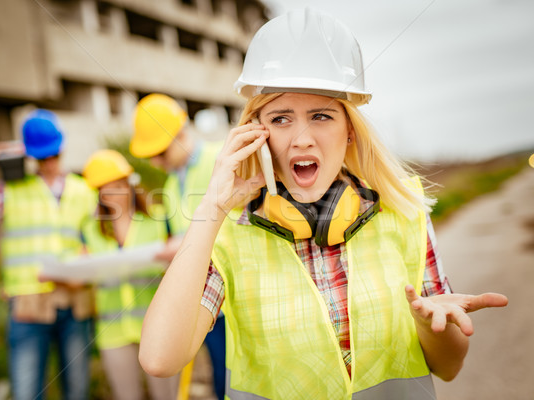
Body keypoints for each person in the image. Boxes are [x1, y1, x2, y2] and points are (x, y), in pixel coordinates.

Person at [138, 8, 508, 399]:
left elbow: (449, 368)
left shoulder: (403, 213)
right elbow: (160, 358)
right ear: (255, 134)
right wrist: (211, 208)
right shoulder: (231, 235)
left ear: (349, 130)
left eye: (320, 116)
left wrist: (430, 325)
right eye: (281, 119)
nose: (301, 139)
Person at [0, 109, 98, 400]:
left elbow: (98, 240)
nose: (49, 163)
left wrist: (88, 256)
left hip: (74, 302)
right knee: (27, 391)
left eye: (54, 156)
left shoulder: (82, 189)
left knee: (77, 390)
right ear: (29, 156)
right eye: (42, 157)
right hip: (27, 306)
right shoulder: (13, 189)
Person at [130, 93, 226, 400]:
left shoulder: (218, 160)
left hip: (229, 295)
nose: (155, 161)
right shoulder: (172, 184)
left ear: (181, 134)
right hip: (199, 300)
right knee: (220, 378)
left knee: (235, 378)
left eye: (160, 152)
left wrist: (183, 245)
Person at [81, 149, 180, 400]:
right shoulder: (91, 230)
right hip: (113, 330)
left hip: (156, 326)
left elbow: (178, 267)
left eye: (118, 185)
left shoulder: (157, 219)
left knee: (166, 395)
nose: (113, 193)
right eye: (106, 188)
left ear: (129, 184)